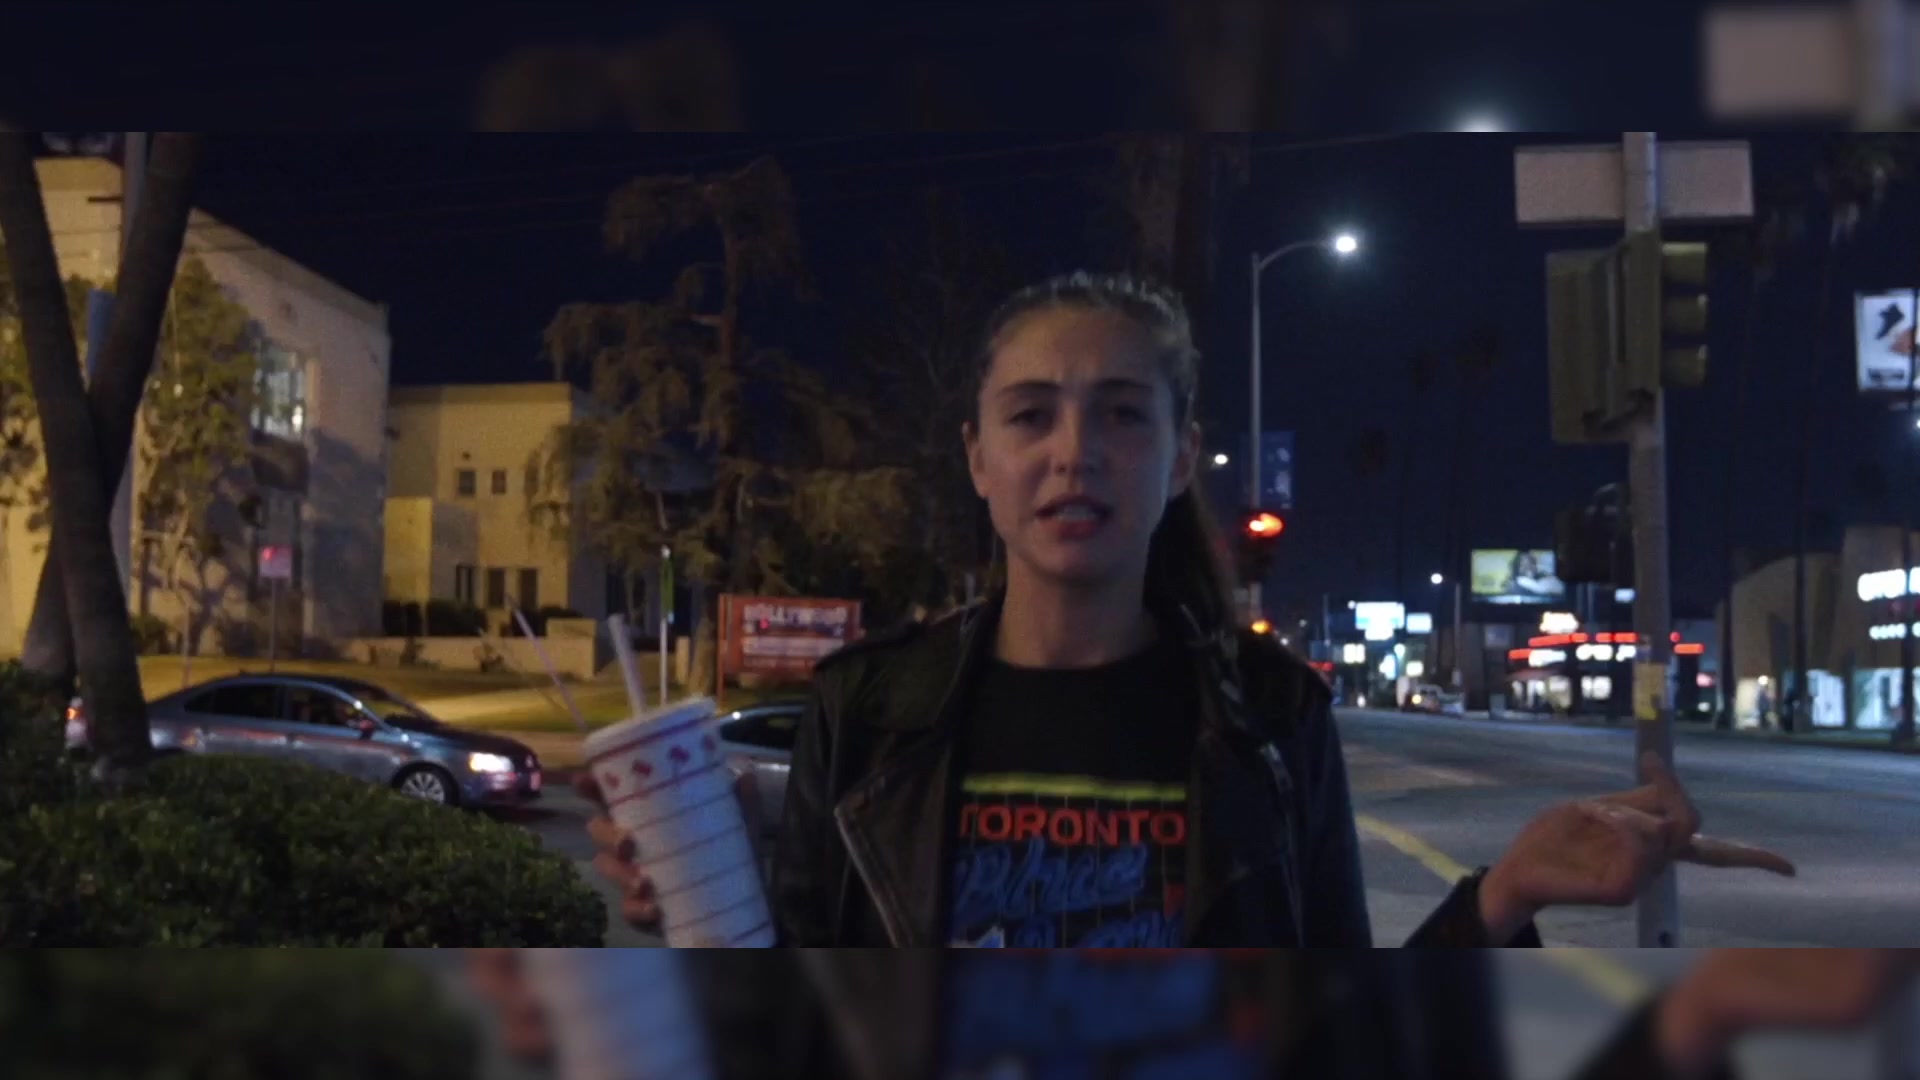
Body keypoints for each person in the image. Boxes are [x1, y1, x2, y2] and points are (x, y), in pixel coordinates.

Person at [481, 272, 1910, 1078]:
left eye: (1120, 414)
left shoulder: (1271, 721)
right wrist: (695, 897)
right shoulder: (872, 706)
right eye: (1031, 416)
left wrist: (1506, 897)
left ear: (1175, 459)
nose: (1073, 453)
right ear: (977, 459)